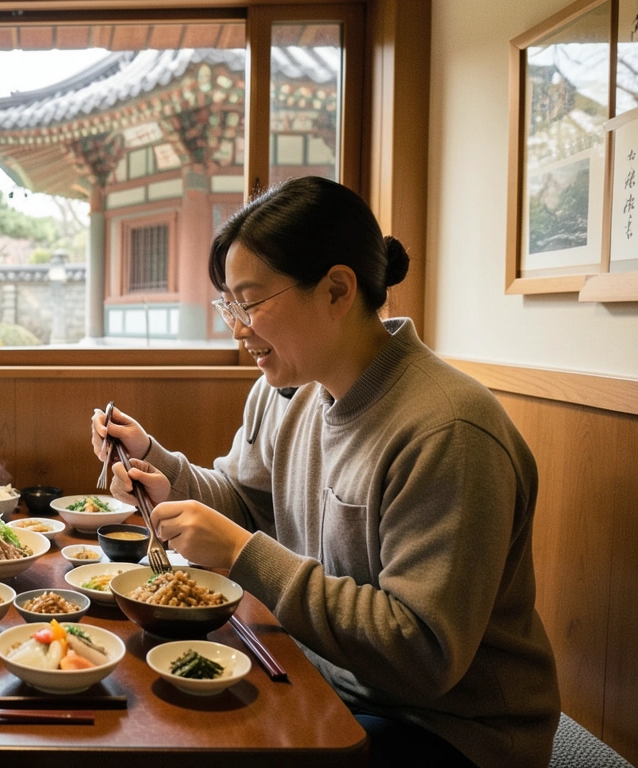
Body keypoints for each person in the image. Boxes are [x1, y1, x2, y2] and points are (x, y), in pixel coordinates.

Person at [92, 176, 559, 768]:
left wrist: (243, 554)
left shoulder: (448, 430)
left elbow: (423, 655)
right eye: (228, 305)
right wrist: (160, 469)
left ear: (337, 289)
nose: (237, 328)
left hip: (447, 730)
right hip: (322, 677)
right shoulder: (287, 388)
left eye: (250, 302)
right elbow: (244, 500)